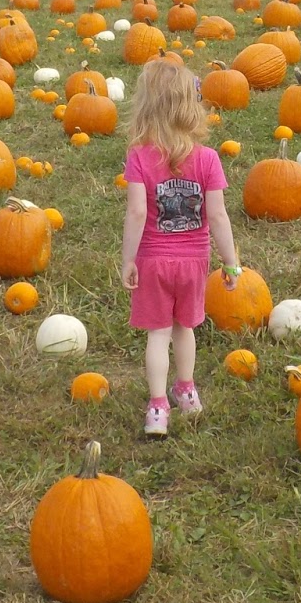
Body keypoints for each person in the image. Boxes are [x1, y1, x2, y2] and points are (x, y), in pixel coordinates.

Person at [121, 58, 240, 438]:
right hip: (193, 262)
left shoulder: (139, 156)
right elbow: (217, 216)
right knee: (184, 328)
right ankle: (186, 390)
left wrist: (128, 259)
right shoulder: (208, 159)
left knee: (158, 333)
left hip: (153, 260)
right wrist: (231, 263)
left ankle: (158, 406)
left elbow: (137, 212)